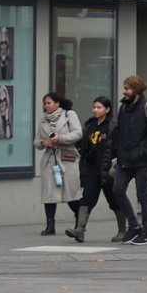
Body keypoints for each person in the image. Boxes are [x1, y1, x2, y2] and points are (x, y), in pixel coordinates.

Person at [66, 97, 126, 243]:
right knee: (87, 199)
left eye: (99, 107)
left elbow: (119, 147)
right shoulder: (90, 124)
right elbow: (82, 143)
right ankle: (80, 229)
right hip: (91, 169)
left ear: (107, 109)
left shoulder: (113, 126)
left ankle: (123, 230)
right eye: (94, 107)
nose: (95, 110)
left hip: (107, 169)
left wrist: (116, 165)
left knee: (114, 200)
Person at [113, 75, 147, 246]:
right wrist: (117, 153)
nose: (124, 92)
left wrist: (143, 151)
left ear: (136, 89)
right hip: (124, 160)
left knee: (143, 195)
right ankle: (134, 225)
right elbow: (119, 131)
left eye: (127, 88)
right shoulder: (124, 109)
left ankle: (146, 233)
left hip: (142, 161)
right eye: (124, 88)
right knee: (117, 190)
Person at [35, 93, 82, 236]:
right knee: (49, 193)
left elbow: (78, 133)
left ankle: (79, 222)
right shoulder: (44, 121)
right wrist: (44, 143)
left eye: (48, 103)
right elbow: (36, 141)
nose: (46, 106)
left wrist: (60, 138)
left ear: (57, 103)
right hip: (50, 158)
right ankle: (50, 225)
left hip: (68, 157)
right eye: (44, 103)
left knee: (71, 192)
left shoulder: (69, 115)